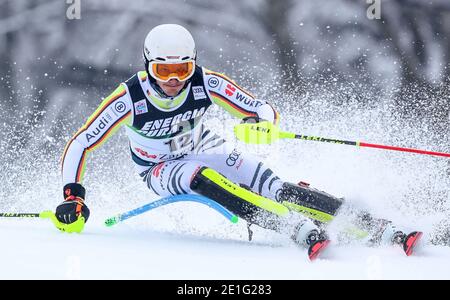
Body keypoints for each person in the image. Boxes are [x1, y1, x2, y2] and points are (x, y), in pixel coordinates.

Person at [55, 24, 422, 260]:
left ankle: (376, 227)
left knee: (273, 186)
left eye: (181, 69)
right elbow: (82, 142)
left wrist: (258, 123)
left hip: (202, 145)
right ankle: (292, 228)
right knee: (200, 177)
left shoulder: (206, 82)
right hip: (159, 168)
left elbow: (262, 108)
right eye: (163, 71)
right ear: (148, 65)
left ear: (193, 64)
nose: (173, 80)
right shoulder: (128, 98)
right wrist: (73, 196)